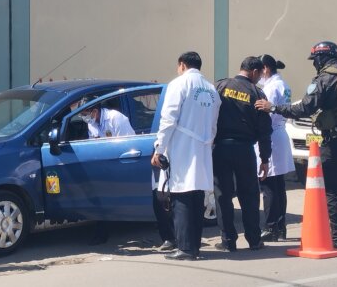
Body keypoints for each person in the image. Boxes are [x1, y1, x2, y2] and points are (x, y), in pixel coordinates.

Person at [255, 41, 337, 250]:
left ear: (321, 59)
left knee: (331, 189)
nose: (314, 64)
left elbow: (304, 108)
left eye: (315, 60)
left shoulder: (325, 79)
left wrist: (273, 107)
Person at [151, 51, 221, 260]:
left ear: (182, 65)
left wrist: (159, 148)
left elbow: (168, 119)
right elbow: (214, 124)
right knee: (197, 198)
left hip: (183, 148)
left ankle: (185, 248)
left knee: (181, 199)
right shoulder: (210, 89)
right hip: (203, 148)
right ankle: (194, 247)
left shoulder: (179, 84)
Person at [213, 56, 272, 252]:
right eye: (259, 75)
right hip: (245, 150)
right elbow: (265, 130)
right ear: (254, 72)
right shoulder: (256, 92)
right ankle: (254, 240)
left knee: (222, 195)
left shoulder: (220, 86)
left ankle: (228, 241)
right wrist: (265, 159)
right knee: (249, 196)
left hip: (220, 148)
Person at [76, 98, 136, 245]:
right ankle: (101, 233)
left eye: (85, 114)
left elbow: (129, 144)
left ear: (95, 111)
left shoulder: (116, 119)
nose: (84, 118)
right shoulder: (92, 124)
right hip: (105, 165)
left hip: (124, 163)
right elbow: (94, 145)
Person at [255, 54, 295, 241]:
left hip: (271, 135)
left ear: (265, 69)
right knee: (278, 185)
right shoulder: (283, 84)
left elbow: (265, 114)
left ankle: (271, 227)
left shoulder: (270, 88)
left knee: (269, 184)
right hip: (280, 134)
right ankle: (280, 226)